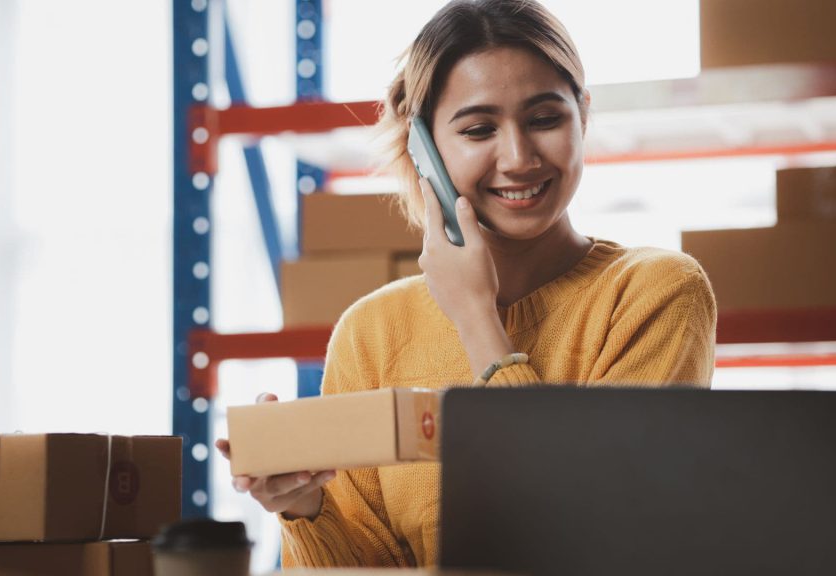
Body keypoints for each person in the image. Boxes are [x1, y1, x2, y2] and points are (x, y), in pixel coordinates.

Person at [215, 0, 716, 568]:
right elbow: (363, 568)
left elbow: (594, 529)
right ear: (424, 149)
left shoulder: (658, 294)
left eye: (545, 119)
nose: (519, 157)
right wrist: (305, 506)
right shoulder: (371, 332)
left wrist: (477, 317)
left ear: (583, 116)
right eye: (479, 129)